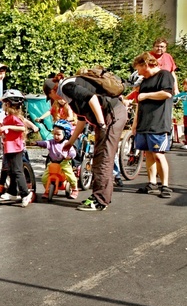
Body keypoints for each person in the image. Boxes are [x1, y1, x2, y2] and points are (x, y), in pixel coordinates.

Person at [43, 71, 127, 211]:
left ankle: (100, 201)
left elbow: (92, 98)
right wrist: (70, 142)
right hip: (110, 115)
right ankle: (100, 196)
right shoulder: (69, 93)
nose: (53, 100)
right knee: (99, 157)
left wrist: (101, 123)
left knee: (104, 157)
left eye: (50, 97)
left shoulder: (66, 87)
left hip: (112, 115)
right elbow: (82, 119)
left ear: (52, 90)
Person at [131, 52, 174, 199]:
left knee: (158, 154)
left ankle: (165, 185)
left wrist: (147, 95)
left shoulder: (164, 75)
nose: (138, 72)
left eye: (138, 69)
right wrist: (135, 124)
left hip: (158, 122)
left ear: (145, 64)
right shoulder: (144, 81)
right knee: (147, 153)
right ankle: (152, 183)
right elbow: (139, 102)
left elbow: (167, 94)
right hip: (144, 122)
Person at [0, 89, 39, 198]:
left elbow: (22, 127)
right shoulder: (7, 117)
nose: (3, 106)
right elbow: (2, 128)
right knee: (11, 170)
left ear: (7, 104)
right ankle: (12, 191)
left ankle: (25, 193)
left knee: (17, 170)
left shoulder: (14, 117)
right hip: (8, 146)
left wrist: (7, 127)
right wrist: (1, 131)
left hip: (15, 147)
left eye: (4, 104)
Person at [35, 120, 79, 199]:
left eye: (58, 134)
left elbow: (73, 152)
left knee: (71, 176)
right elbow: (45, 143)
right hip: (52, 163)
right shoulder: (51, 142)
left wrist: (69, 156)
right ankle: (47, 190)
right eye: (54, 134)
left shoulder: (67, 143)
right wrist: (37, 143)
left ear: (65, 134)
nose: (56, 136)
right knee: (44, 178)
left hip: (64, 163)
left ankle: (75, 189)